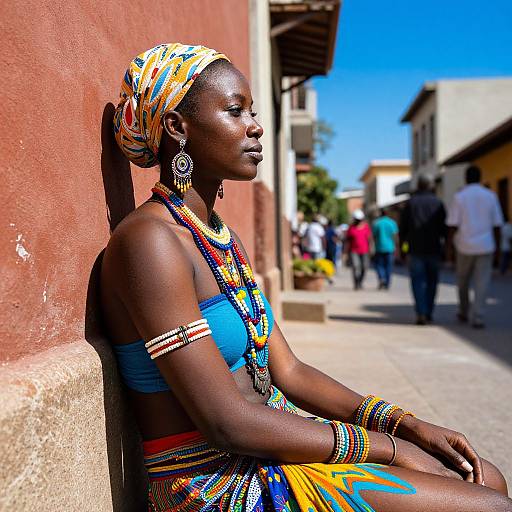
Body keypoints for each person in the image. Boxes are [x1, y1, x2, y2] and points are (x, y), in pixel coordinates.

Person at [100, 43, 510, 511]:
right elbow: (226, 422)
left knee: (483, 476)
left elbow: (288, 370)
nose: (255, 126)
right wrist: (392, 449)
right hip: (213, 482)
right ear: (178, 127)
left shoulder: (219, 236)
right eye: (235, 112)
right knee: (490, 506)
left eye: (252, 111)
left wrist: (402, 425)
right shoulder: (149, 243)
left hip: (266, 447)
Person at [447, 165, 504, 328]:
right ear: (480, 177)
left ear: (466, 178)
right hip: (486, 245)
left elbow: (452, 225)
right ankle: (478, 315)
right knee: (482, 282)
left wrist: (450, 249)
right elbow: (497, 225)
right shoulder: (490, 196)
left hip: (464, 245)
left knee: (462, 281)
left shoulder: (460, 197)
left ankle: (464, 310)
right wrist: (498, 249)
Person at [399, 175, 446, 325]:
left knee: (417, 282)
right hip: (434, 248)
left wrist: (402, 249)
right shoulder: (438, 203)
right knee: (432, 282)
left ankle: (421, 312)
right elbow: (444, 229)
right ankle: (428, 311)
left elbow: (403, 230)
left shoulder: (410, 204)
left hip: (415, 249)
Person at [345, 209, 372, 290]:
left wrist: (371, 249)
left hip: (365, 251)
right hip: (354, 251)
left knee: (364, 267)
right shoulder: (351, 228)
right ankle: (356, 283)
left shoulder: (366, 227)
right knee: (356, 266)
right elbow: (347, 240)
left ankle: (360, 281)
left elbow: (369, 239)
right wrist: (345, 252)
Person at [372, 208, 398, 290]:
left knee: (379, 265)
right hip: (390, 248)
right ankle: (387, 283)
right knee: (388, 266)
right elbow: (395, 236)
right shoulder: (392, 223)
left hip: (379, 248)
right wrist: (397, 247)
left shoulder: (377, 223)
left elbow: (373, 236)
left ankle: (381, 278)